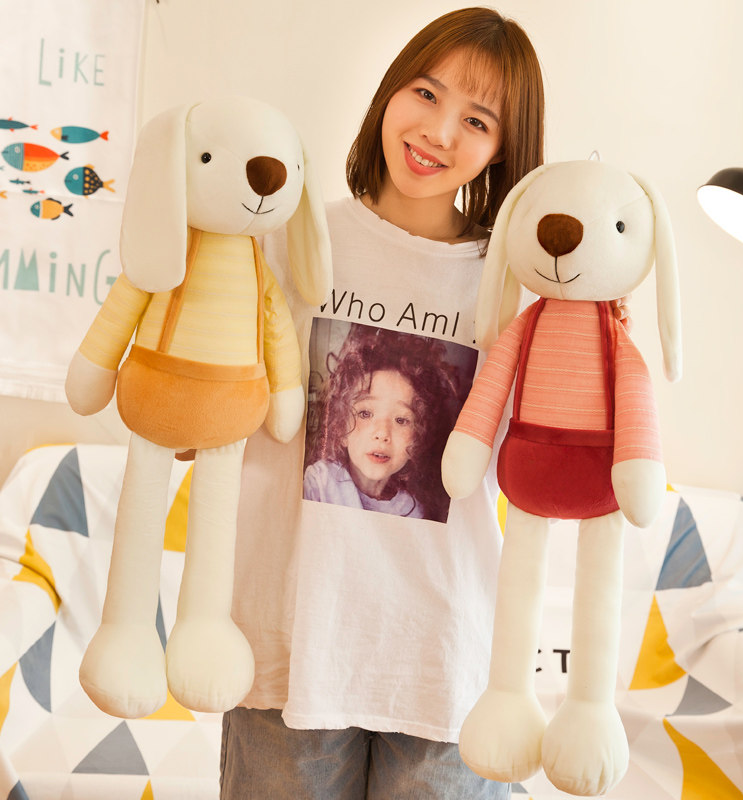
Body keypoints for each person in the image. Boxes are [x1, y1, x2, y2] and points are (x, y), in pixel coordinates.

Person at [220, 7, 548, 798]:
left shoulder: (514, 284)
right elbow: (217, 409)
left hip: (440, 654)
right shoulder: (289, 238)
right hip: (288, 640)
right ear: (390, 93)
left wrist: (597, 330)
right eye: (426, 94)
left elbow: (542, 459)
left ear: (503, 150)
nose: (439, 131)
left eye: (477, 120)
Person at [303, 323, 467, 522]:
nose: (382, 433)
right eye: (365, 413)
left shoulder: (413, 511)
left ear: (418, 438)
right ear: (341, 428)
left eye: (401, 420)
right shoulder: (319, 482)